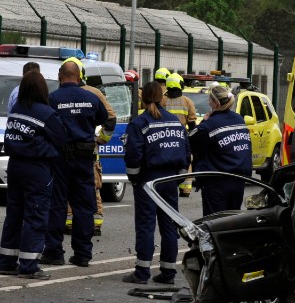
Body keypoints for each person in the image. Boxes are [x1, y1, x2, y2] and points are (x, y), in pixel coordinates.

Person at [41, 60, 110, 268]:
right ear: (79, 77)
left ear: (61, 76)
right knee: (83, 207)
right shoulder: (91, 97)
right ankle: (82, 254)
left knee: (57, 205)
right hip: (84, 158)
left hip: (60, 159)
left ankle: (54, 252)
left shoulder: (52, 99)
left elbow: (45, 125)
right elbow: (104, 119)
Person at [122, 81, 190, 284]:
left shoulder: (139, 123)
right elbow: (185, 151)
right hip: (169, 180)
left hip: (148, 180)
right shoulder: (175, 121)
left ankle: (142, 272)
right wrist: (179, 176)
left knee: (145, 226)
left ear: (142, 99)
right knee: (169, 226)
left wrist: (134, 178)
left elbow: (133, 154)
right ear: (162, 98)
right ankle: (168, 272)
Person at [0, 72, 66, 280]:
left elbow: (11, 139)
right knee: (35, 216)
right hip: (37, 170)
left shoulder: (16, 110)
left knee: (14, 214)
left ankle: (7, 261)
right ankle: (29, 265)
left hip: (16, 167)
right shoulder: (46, 113)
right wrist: (48, 150)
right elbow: (60, 140)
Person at [189, 85, 253, 216]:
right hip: (239, 179)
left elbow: (191, 140)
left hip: (217, 182)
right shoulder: (239, 119)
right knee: (232, 221)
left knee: (214, 223)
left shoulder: (210, 125)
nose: (208, 102)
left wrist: (203, 122)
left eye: (209, 100)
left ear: (216, 103)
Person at [162, 73, 197, 198]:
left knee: (166, 160)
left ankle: (165, 184)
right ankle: (185, 189)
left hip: (164, 135)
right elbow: (192, 123)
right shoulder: (187, 101)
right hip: (181, 136)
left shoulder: (162, 100)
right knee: (186, 161)